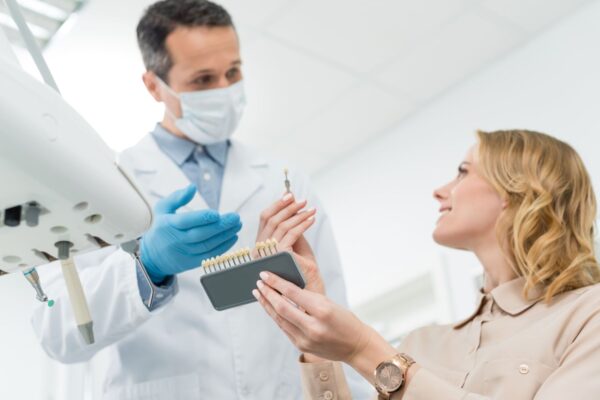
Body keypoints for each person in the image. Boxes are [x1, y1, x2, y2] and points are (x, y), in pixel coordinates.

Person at [30, 1, 369, 398]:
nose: (224, 91)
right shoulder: (104, 185)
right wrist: (146, 268)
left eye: (233, 72)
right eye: (203, 80)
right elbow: (59, 331)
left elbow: (336, 314)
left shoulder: (286, 182)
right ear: (154, 85)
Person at [254, 129, 600, 399]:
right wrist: (317, 344)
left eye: (463, 173)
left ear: (520, 189)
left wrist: (364, 349)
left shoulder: (588, 315)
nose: (439, 190)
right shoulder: (420, 345)